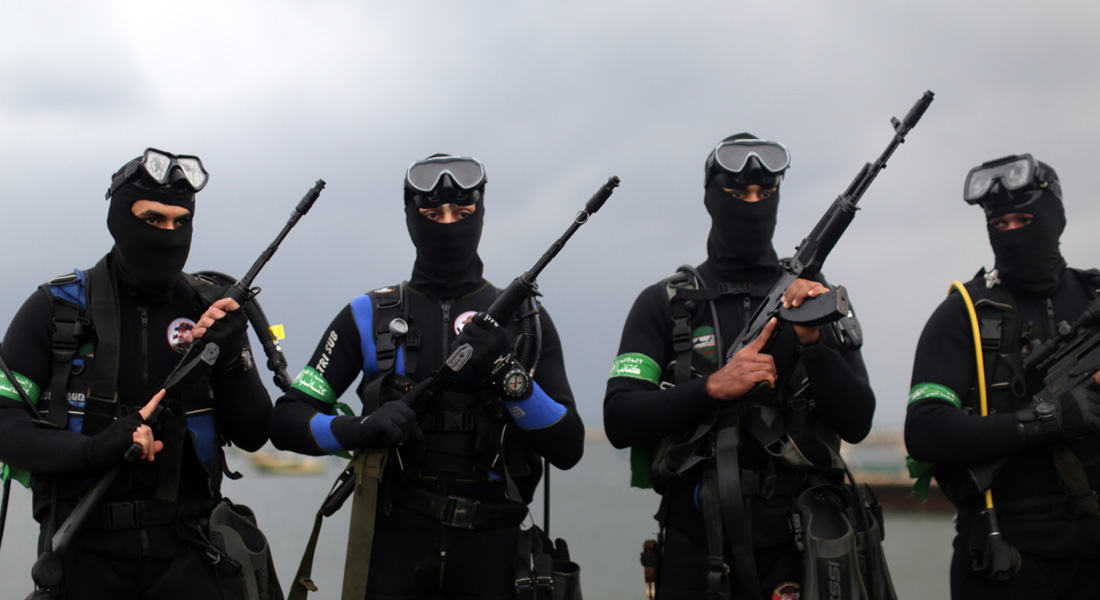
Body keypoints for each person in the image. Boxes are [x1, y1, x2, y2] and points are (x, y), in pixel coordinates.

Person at [269, 154, 584, 599]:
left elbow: (568, 446)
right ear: (409, 218)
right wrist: (359, 429)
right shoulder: (368, 313)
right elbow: (286, 420)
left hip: (495, 546)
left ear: (482, 215)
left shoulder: (525, 318)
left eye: (463, 212)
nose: (448, 224)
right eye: (432, 213)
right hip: (395, 539)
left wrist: (507, 373)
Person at [604, 134, 876, 599]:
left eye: (764, 193)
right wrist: (712, 387)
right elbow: (620, 418)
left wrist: (813, 341)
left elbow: (858, 422)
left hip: (798, 543)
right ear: (711, 198)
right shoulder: (664, 303)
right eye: (737, 193)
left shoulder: (813, 296)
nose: (752, 204)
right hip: (694, 543)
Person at [0, 148, 274, 599]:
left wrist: (230, 358)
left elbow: (253, 434)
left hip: (192, 553)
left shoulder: (210, 311)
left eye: (179, 222)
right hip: (82, 554)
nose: (167, 234)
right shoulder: (54, 311)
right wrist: (90, 452)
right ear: (117, 220)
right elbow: (4, 424)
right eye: (151, 220)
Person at [905, 153, 1100, 598]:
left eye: (1024, 219)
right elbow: (925, 430)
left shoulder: (1095, 299)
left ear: (1056, 217)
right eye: (1000, 224)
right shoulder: (965, 314)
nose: (1012, 233)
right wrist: (1042, 421)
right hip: (1004, 553)